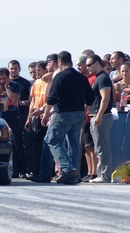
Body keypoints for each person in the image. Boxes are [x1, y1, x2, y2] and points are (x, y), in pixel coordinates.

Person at [41, 51, 94, 185]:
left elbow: (51, 98)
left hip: (63, 113)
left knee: (52, 140)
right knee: (74, 144)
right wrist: (84, 111)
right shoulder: (81, 77)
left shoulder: (60, 76)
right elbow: (91, 97)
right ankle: (73, 175)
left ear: (59, 62)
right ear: (70, 61)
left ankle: (67, 168)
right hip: (78, 114)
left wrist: (46, 115)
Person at [0, 67, 24, 178]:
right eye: (0, 79)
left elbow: (14, 99)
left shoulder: (16, 86)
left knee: (17, 144)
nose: (2, 81)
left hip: (13, 118)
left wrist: (7, 88)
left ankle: (20, 169)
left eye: (4, 78)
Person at [86, 54, 114, 183]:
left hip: (102, 116)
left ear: (96, 63)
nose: (88, 68)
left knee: (102, 147)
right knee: (98, 147)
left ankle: (105, 175)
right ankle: (101, 173)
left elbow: (105, 98)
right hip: (95, 116)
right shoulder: (98, 78)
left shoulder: (103, 78)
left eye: (89, 65)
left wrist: (99, 115)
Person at [25, 61, 48, 178]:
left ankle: (42, 171)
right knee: (35, 144)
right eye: (36, 71)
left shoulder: (48, 82)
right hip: (35, 117)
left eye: (39, 70)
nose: (37, 73)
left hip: (44, 115)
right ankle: (34, 170)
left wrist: (45, 112)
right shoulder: (36, 83)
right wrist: (28, 118)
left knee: (43, 144)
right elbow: (32, 101)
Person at [8, 59, 32, 177]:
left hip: (22, 116)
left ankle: (24, 169)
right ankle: (14, 169)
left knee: (21, 144)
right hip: (8, 117)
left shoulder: (25, 83)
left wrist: (21, 103)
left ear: (19, 69)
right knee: (11, 144)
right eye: (11, 68)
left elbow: (30, 101)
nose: (13, 71)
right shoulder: (4, 83)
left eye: (15, 68)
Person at [76, 55, 98, 182]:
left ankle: (95, 171)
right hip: (84, 117)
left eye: (82, 65)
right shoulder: (83, 79)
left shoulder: (93, 78)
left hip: (90, 116)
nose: (79, 68)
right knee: (86, 147)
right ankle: (90, 171)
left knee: (92, 146)